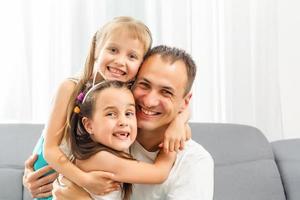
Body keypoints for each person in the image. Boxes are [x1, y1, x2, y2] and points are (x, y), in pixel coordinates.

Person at [23, 17, 190, 199]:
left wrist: (180, 122)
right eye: (113, 50)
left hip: (83, 173)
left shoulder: (126, 92)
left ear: (140, 65)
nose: (120, 61)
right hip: (52, 173)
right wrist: (84, 179)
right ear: (97, 49)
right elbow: (51, 150)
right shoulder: (71, 87)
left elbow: (178, 106)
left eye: (131, 56)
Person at [53, 45, 214, 200]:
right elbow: (54, 171)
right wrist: (32, 178)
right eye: (144, 85)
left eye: (166, 92)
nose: (150, 102)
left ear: (185, 102)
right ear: (131, 83)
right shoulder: (114, 138)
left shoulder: (194, 162)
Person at [69, 80, 176, 200]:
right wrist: (172, 144)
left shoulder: (113, 147)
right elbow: (159, 174)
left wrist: (180, 123)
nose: (123, 122)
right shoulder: (100, 159)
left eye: (129, 113)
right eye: (111, 114)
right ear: (89, 125)